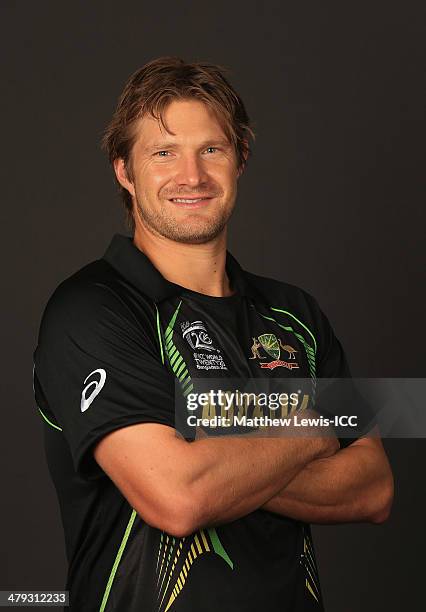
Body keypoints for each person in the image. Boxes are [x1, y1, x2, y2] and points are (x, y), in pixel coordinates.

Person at [33, 56, 394, 612]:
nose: (192, 176)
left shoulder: (295, 313)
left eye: (211, 149)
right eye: (163, 153)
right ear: (124, 171)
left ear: (241, 159)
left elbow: (374, 487)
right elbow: (178, 496)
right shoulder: (89, 310)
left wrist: (212, 448)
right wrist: (309, 430)